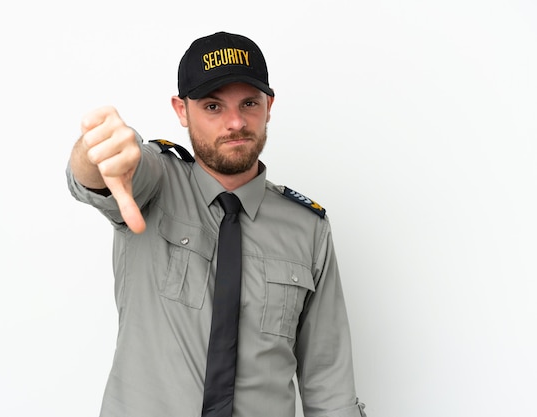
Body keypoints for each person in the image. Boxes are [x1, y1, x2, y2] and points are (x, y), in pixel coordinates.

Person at [66, 31, 367, 417]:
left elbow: (329, 383)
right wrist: (96, 155)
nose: (235, 122)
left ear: (269, 106)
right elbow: (103, 178)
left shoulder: (308, 227)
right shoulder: (155, 184)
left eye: (249, 103)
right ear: (181, 110)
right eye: (212, 106)